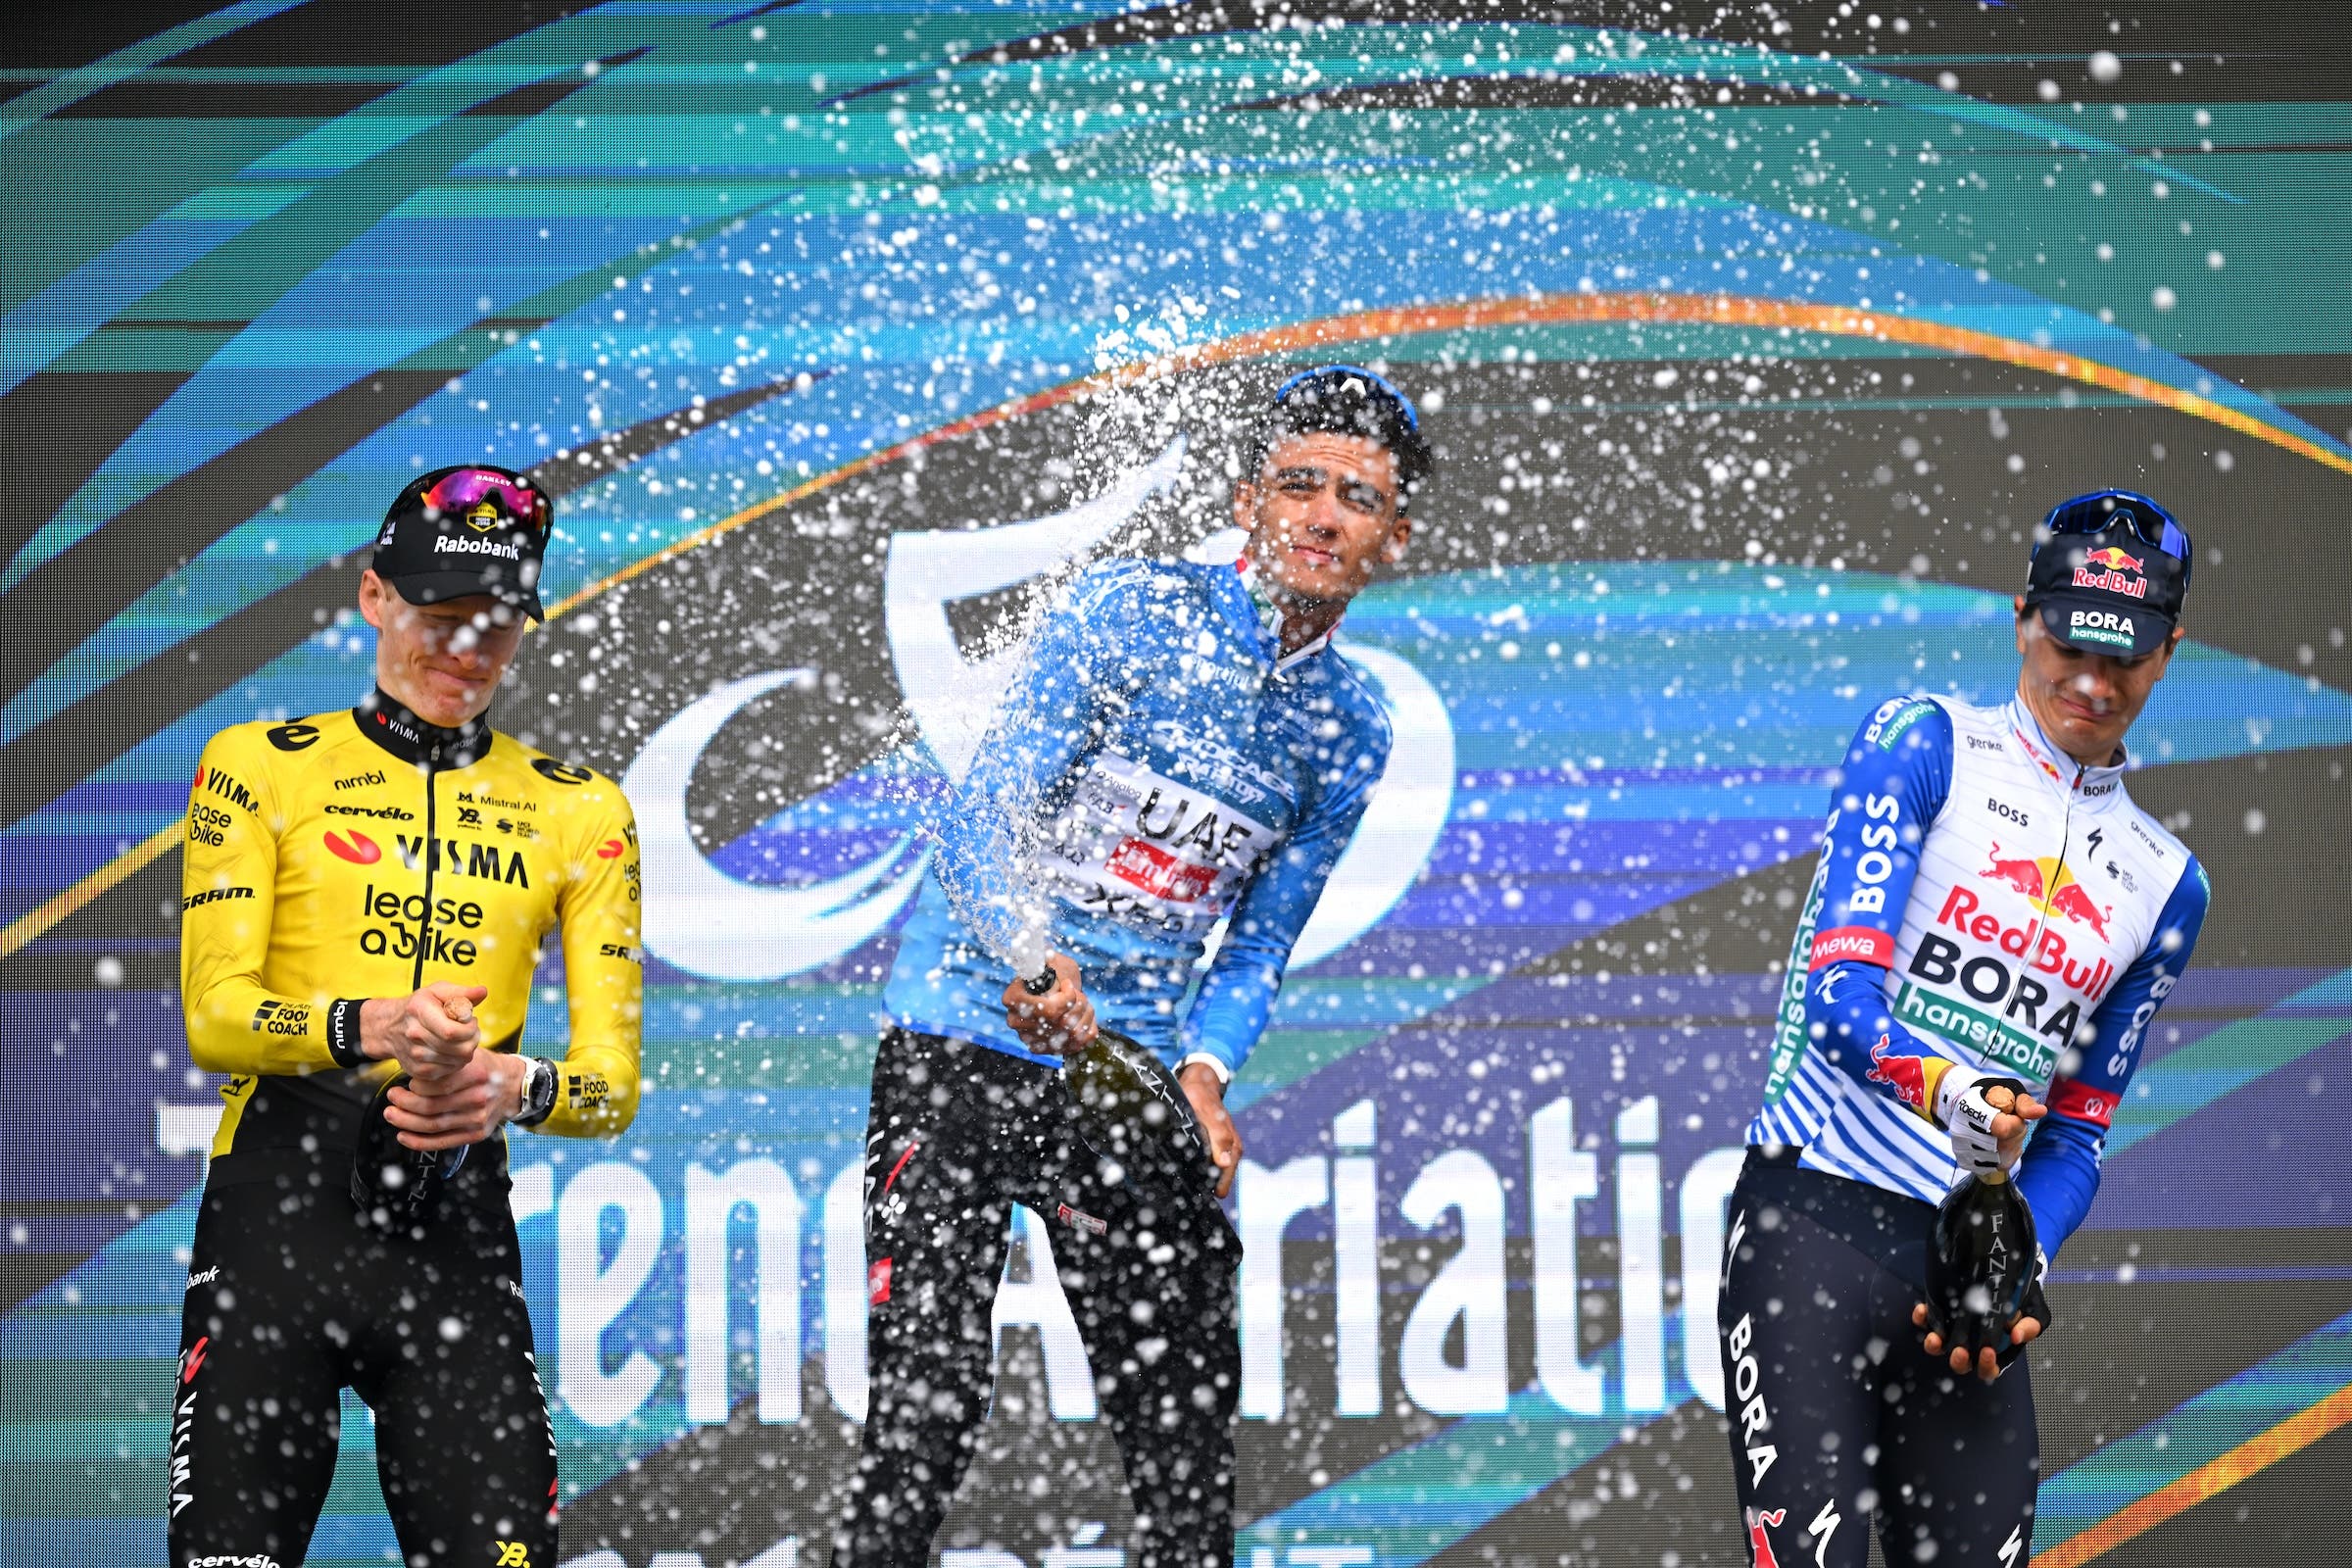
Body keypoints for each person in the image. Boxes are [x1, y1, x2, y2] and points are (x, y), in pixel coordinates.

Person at [830, 367, 1434, 1568]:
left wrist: (1205, 1075)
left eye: (1355, 498)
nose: (1321, 516)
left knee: (1184, 1447)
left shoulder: (1354, 726)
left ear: (1392, 536)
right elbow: (975, 821)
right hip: (963, 1030)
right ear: (1246, 501)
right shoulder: (1133, 613)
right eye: (1297, 485)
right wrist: (1030, 953)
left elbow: (1259, 944)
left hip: (1123, 1075)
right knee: (923, 1419)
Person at [1722, 488, 2210, 1567]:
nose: (2091, 679)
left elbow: (2079, 1135)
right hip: (1811, 1221)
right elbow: (1835, 998)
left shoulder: (2170, 884)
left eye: (2124, 656)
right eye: (2070, 641)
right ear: (2021, 615)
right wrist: (1954, 1092)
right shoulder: (1924, 740)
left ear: (2170, 651)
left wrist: (2020, 1245)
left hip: (1964, 1276)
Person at [172, 466, 644, 1568]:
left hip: (456, 1249)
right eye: (439, 618)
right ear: (373, 596)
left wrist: (513, 1085)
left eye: (496, 624)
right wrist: (371, 1026)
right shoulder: (254, 768)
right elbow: (215, 1018)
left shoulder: (583, 809)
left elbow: (611, 1084)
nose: (466, 653)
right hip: (273, 1236)